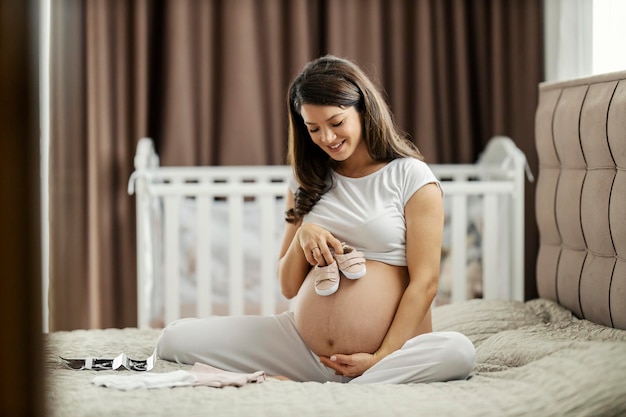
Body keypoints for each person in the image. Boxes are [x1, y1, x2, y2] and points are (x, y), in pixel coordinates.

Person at [157, 55, 475, 384]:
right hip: (301, 347)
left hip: (388, 355)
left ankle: (356, 383)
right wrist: (304, 233)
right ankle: (337, 384)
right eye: (314, 128)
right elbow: (288, 285)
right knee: (173, 339)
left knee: (459, 351)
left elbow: (425, 284)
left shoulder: (410, 176)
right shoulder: (305, 180)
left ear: (364, 110)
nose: (326, 138)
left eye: (336, 123)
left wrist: (381, 356)